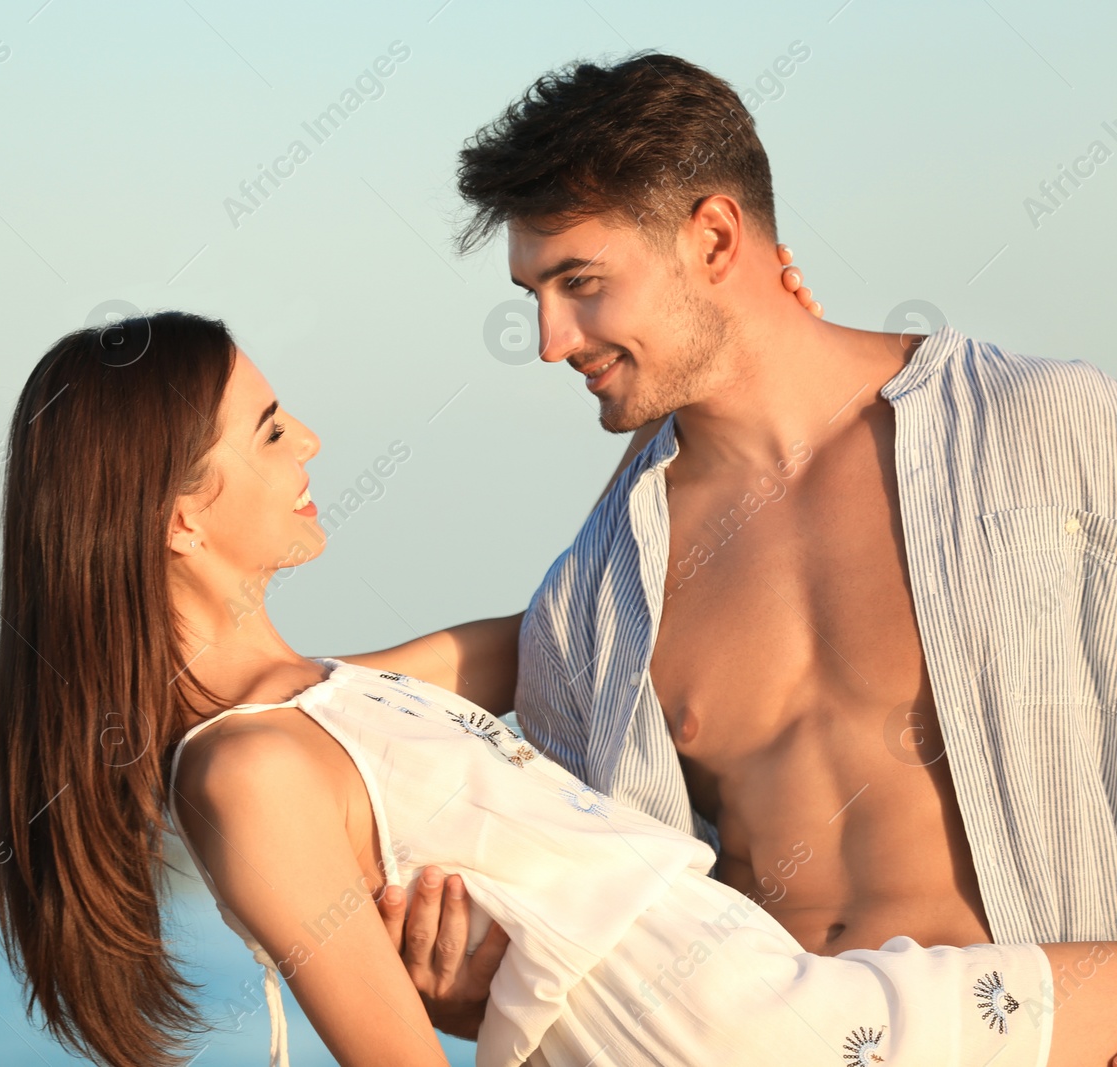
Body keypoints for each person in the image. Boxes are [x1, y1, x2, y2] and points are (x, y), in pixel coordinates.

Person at [0, 310, 1117, 1067]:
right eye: (271, 429)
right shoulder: (248, 770)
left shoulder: (326, 698)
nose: (311, 442)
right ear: (179, 515)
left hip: (753, 995)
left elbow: (582, 634)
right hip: (729, 1029)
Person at [384, 52, 1117, 1047]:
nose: (549, 337)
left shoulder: (1045, 430)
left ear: (716, 236)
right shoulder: (593, 598)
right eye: (534, 295)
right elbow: (601, 940)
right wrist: (486, 993)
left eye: (581, 283)